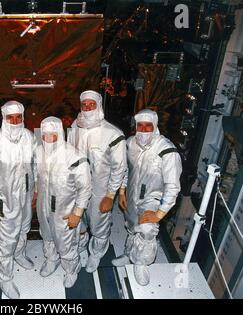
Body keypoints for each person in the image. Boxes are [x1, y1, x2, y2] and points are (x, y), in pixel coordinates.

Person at [112, 109, 182, 286]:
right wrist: (122, 191)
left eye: (147, 126)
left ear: (155, 126)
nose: (143, 130)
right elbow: (126, 169)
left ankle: (141, 263)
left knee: (147, 229)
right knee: (131, 225)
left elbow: (172, 187)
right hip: (132, 194)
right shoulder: (130, 143)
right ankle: (129, 254)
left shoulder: (166, 150)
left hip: (153, 198)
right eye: (139, 126)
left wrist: (159, 213)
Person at [0, 101, 36, 299]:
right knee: (6, 239)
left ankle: (19, 254)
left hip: (26, 195)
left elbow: (33, 165)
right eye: (10, 118)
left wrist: (34, 189)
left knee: (24, 228)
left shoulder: (29, 137)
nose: (14, 121)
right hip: (5, 199)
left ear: (23, 117)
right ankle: (3, 276)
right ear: (3, 118)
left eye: (18, 117)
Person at [68, 90, 127, 273]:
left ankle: (96, 253)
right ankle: (81, 242)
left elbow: (120, 168)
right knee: (79, 219)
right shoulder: (75, 126)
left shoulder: (113, 134)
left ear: (98, 106)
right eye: (84, 105)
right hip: (78, 186)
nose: (87, 109)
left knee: (97, 222)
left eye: (91, 105)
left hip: (100, 189)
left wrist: (111, 195)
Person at [34, 117, 91, 288]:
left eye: (53, 135)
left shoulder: (75, 157)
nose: (48, 139)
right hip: (43, 206)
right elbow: (38, 176)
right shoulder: (38, 151)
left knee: (65, 242)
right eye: (45, 135)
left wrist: (77, 213)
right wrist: (36, 193)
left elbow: (85, 189)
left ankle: (71, 268)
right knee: (47, 235)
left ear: (60, 134)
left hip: (65, 210)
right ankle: (52, 259)